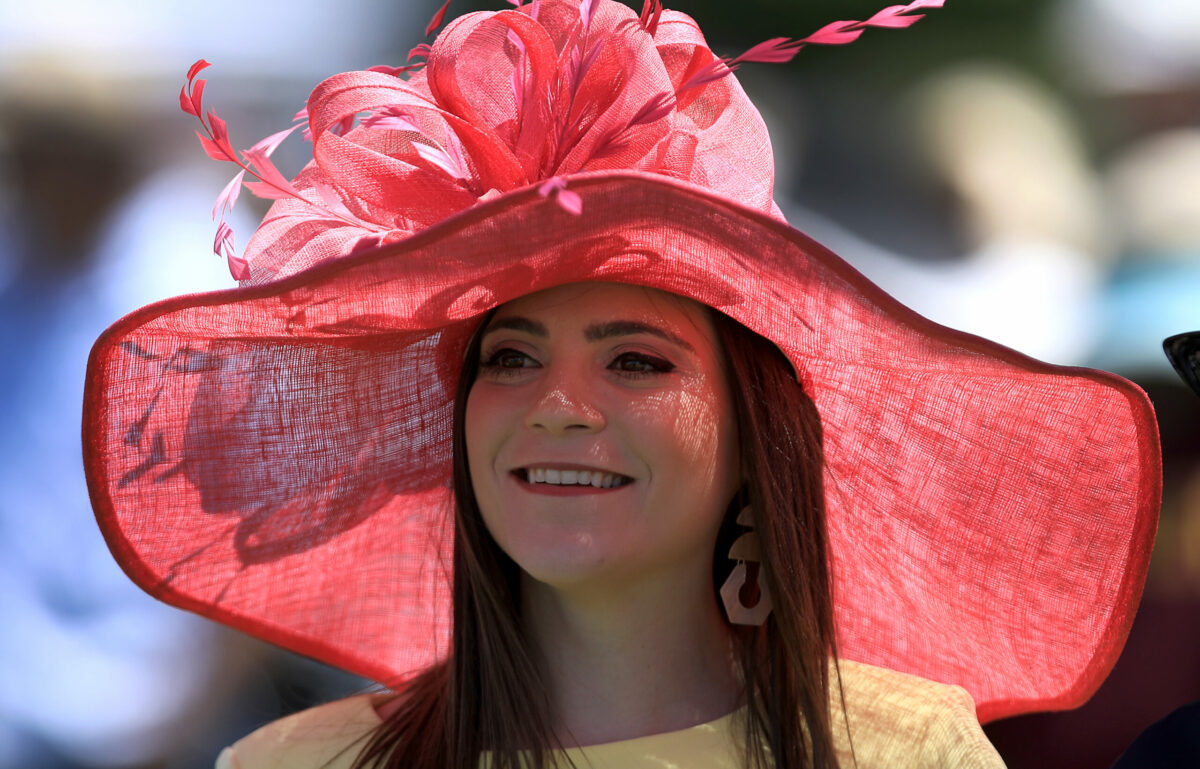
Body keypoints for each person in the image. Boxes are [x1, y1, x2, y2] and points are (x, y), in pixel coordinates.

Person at [81, 0, 1161, 767]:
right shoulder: (296, 763)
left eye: (637, 359)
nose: (559, 401)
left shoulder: (897, 750)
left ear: (755, 428)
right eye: (509, 358)